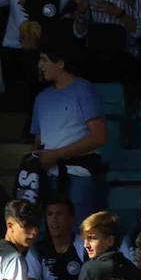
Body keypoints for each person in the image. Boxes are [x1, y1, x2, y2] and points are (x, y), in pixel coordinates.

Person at [31, 40, 107, 222]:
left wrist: (58, 154)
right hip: (48, 177)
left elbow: (99, 137)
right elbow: (39, 140)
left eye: (44, 59)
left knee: (80, 232)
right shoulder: (42, 98)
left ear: (60, 63)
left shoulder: (84, 90)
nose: (39, 65)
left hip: (78, 175)